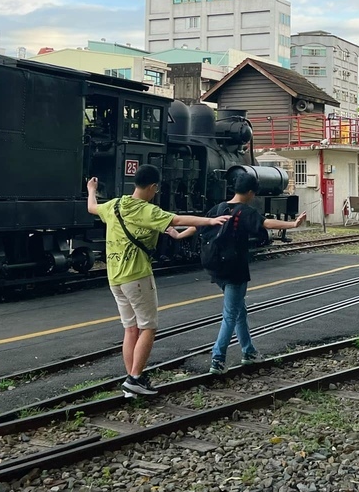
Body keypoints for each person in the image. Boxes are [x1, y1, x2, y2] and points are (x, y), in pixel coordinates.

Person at [87, 165, 230, 397]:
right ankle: (134, 378)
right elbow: (177, 219)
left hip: (114, 277)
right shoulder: (147, 210)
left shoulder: (114, 205)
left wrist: (91, 189)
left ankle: (132, 382)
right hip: (137, 276)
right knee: (148, 328)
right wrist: (210, 221)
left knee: (130, 328)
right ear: (153, 187)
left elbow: (92, 207)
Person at [205, 171, 307, 375]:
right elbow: (266, 223)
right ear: (250, 192)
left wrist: (179, 233)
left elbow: (200, 225)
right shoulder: (246, 211)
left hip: (217, 268)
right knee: (231, 314)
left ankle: (248, 351)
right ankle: (218, 358)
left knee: (239, 310)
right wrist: (293, 224)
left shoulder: (218, 208)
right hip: (236, 269)